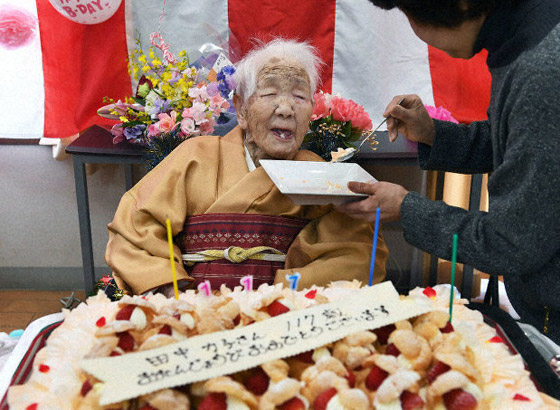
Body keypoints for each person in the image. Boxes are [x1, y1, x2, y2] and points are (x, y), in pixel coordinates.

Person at [336, 0, 560, 343]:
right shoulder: (529, 29)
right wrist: (435, 135)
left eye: (410, 14)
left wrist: (406, 208)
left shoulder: (540, 70)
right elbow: (527, 144)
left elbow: (512, 243)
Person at [105, 38, 389, 296]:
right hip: (191, 309)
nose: (286, 108)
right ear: (241, 109)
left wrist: (276, 296)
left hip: (280, 316)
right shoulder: (195, 157)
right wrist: (172, 292)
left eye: (300, 97)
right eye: (270, 94)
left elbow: (358, 255)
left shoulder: (323, 178)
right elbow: (134, 229)